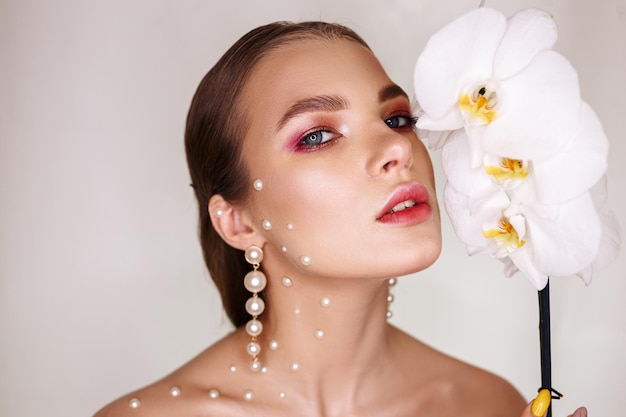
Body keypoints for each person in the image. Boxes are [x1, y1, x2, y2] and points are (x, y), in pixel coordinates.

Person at [94, 21, 587, 417]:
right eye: (317, 136)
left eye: (396, 119)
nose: (397, 147)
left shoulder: (489, 406)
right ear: (238, 222)